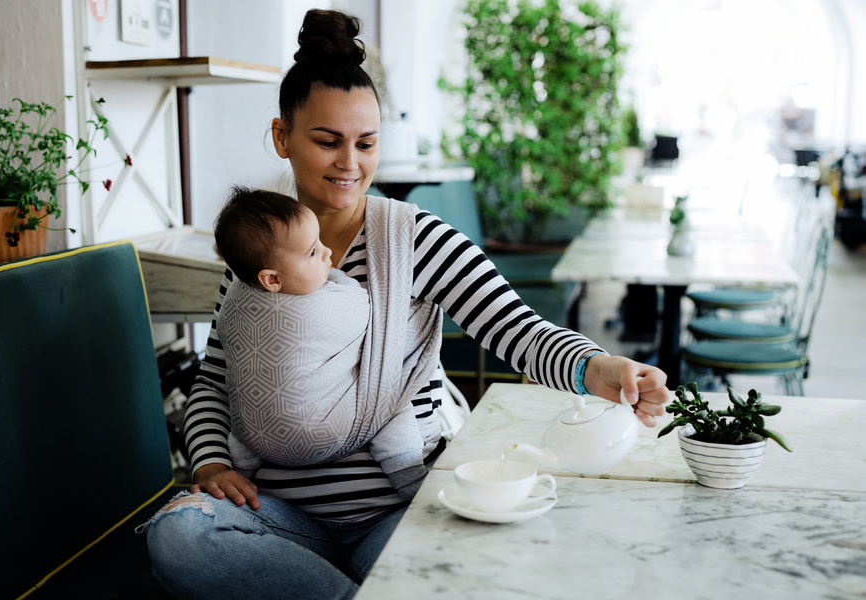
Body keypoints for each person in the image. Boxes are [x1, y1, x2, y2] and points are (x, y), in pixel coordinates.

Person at [146, 9, 669, 600]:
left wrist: (599, 369)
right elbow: (216, 383)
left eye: (366, 144)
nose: (350, 164)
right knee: (178, 536)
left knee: (461, 562)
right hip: (281, 517)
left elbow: (516, 329)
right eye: (327, 142)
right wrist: (211, 465)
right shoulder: (258, 254)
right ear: (281, 137)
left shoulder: (413, 238)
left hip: (394, 509)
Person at [213, 186, 431, 500]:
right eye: (314, 252)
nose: (327, 252)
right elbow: (363, 307)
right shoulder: (323, 309)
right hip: (317, 435)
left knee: (243, 422)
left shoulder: (237, 297)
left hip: (250, 439)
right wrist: (338, 277)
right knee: (392, 403)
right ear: (272, 280)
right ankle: (410, 479)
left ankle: (242, 476)